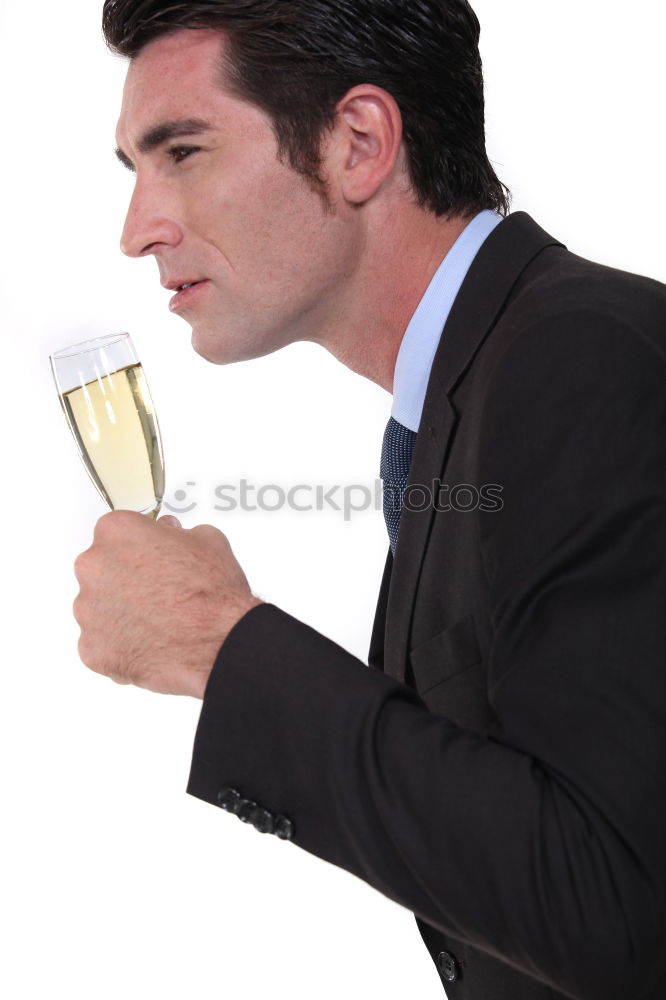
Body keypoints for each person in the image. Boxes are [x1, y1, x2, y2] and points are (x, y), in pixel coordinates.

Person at [73, 2, 666, 997]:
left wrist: (226, 651)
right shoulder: (470, 392)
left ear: (358, 144)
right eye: (133, 168)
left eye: (181, 150)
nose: (138, 229)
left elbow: (616, 903)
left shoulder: (577, 360)